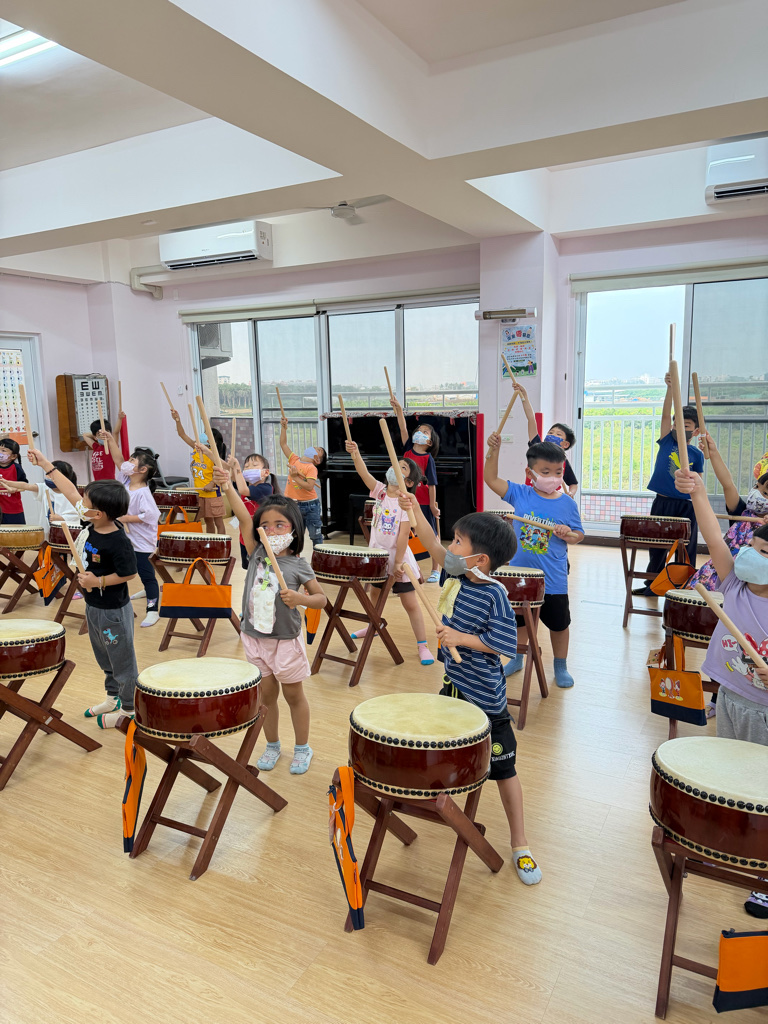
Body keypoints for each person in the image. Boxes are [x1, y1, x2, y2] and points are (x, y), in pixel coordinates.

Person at [399, 492, 542, 885]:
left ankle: (520, 843)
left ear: (480, 559)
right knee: (437, 747)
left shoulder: (494, 593)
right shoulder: (454, 575)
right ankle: (436, 802)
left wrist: (461, 638)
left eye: (459, 542)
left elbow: (504, 644)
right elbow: (431, 542)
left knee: (504, 770)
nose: (450, 547)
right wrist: (413, 510)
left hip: (486, 700)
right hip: (454, 688)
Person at [675, 464, 768, 920]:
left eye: (764, 553)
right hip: (729, 698)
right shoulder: (734, 582)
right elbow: (714, 535)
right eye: (754, 547)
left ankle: (765, 876)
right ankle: (733, 844)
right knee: (733, 775)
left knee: (764, 790)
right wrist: (697, 492)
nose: (752, 555)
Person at [216, 464, 327, 776]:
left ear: (294, 530)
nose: (272, 530)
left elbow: (321, 599)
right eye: (265, 525)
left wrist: (301, 599)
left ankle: (302, 748)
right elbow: (243, 516)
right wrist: (227, 486)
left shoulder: (298, 566)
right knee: (266, 696)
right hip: (254, 638)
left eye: (280, 525)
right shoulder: (256, 553)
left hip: (285, 641)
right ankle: (273, 744)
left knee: (293, 695)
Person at [27, 446, 138, 729]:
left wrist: (97, 581)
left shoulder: (118, 541)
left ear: (98, 513)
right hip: (94, 607)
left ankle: (130, 710)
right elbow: (70, 492)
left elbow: (129, 573)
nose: (79, 503)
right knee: (105, 656)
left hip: (113, 611)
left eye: (85, 501)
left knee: (122, 660)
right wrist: (46, 465)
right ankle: (113, 698)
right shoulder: (91, 520)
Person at [484, 436, 584, 689]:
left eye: (558, 472)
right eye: (545, 472)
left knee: (559, 624)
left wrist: (567, 534)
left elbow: (578, 535)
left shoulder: (567, 503)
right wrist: (493, 451)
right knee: (520, 620)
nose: (553, 477)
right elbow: (491, 479)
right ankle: (517, 657)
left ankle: (560, 665)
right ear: (530, 473)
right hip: (520, 576)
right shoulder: (520, 493)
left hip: (553, 578)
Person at [344, 439, 434, 665]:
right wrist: (355, 454)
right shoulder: (381, 492)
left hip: (399, 560)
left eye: (402, 467)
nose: (395, 467)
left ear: (409, 482)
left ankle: (422, 645)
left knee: (410, 603)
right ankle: (373, 626)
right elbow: (364, 473)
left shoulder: (406, 502)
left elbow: (403, 536)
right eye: (395, 464)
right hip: (378, 558)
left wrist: (398, 564)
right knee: (374, 597)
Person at [633, 373, 703, 596]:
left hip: (686, 506)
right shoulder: (667, 441)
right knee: (657, 546)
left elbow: (698, 484)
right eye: (676, 422)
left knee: (686, 548)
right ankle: (652, 585)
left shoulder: (697, 454)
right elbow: (665, 415)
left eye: (686, 425)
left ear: (695, 431)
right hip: (662, 503)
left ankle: (683, 586)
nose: (679, 427)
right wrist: (670, 388)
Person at [104, 435, 161, 628]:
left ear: (143, 470)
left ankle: (152, 609)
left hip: (142, 542)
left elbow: (152, 515)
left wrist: (126, 518)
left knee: (147, 576)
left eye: (132, 461)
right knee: (121, 569)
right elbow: (118, 459)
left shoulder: (144, 493)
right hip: (125, 539)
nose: (127, 463)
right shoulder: (125, 480)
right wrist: (110, 439)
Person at [392, 398, 441, 582]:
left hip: (424, 503)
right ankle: (411, 566)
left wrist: (433, 506)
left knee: (431, 534)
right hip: (405, 500)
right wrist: (399, 410)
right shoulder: (407, 449)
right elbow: (403, 427)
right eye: (419, 430)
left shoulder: (428, 458)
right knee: (405, 533)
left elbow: (432, 484)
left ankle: (436, 569)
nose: (420, 432)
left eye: (425, 432)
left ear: (430, 442)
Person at [514, 382, 578, 498]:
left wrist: (571, 493)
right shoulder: (537, 447)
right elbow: (531, 419)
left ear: (565, 444)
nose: (552, 435)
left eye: (558, 434)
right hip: (531, 495)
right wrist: (525, 397)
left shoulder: (563, 462)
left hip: (551, 499)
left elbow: (573, 484)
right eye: (550, 432)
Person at [170, 408, 227, 534]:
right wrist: (177, 420)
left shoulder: (213, 455)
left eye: (206, 434)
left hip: (213, 494)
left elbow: (221, 473)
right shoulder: (197, 449)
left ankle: (221, 543)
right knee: (208, 521)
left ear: (212, 441)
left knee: (218, 522)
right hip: (200, 493)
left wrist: (211, 484)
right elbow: (182, 435)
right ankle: (210, 542)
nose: (203, 435)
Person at [278, 417, 325, 548]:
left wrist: (295, 477)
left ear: (317, 460)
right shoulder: (294, 459)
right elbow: (283, 444)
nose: (315, 448)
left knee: (315, 535)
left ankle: (319, 558)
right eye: (315, 447)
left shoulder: (311, 468)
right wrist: (283, 428)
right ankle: (295, 558)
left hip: (310, 506)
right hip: (292, 504)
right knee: (294, 536)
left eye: (318, 450)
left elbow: (309, 487)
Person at [0, 460, 80, 531]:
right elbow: (26, 486)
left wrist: (60, 518)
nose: (48, 477)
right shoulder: (45, 488)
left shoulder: (70, 494)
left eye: (52, 475)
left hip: (62, 532)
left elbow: (75, 515)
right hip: (46, 531)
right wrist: (7, 482)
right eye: (48, 473)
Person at [231, 453, 277, 570]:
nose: (249, 468)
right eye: (246, 466)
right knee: (250, 569)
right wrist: (208, 452)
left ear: (266, 472)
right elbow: (228, 471)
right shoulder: (244, 484)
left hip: (260, 539)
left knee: (262, 569)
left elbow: (243, 490)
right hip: (244, 537)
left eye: (254, 465)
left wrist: (237, 468)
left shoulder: (265, 488)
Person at [83, 414, 125, 482]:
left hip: (109, 482)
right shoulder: (96, 447)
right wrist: (97, 435)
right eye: (100, 434)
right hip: (97, 482)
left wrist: (120, 419)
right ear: (95, 436)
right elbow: (85, 435)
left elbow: (116, 432)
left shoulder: (111, 447)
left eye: (106, 432)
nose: (104, 435)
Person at [0, 438, 28, 523]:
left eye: (3, 450)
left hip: (13, 509)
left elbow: (24, 486)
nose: (0, 452)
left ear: (13, 456)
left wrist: (15, 489)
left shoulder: (16, 468)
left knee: (16, 530)